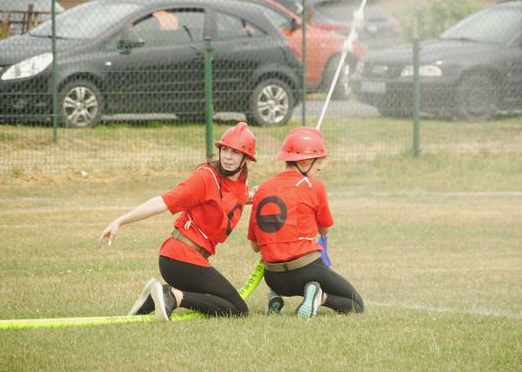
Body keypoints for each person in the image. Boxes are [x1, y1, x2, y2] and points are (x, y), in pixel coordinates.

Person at [98, 122, 256, 321]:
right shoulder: (205, 178)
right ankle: (171, 295)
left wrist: (258, 197)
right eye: (225, 149)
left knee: (226, 303)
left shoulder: (240, 183)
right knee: (237, 309)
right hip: (180, 260)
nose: (227, 156)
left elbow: (234, 200)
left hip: (188, 260)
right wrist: (120, 221)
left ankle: (152, 299)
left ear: (246, 158)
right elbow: (164, 201)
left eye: (235, 152)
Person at [247, 127, 364, 319]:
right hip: (306, 273)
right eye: (318, 162)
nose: (321, 167)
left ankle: (275, 295)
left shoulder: (262, 189)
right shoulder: (315, 186)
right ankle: (319, 297)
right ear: (305, 161)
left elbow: (255, 246)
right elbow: (324, 229)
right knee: (356, 304)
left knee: (283, 279)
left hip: (273, 278)